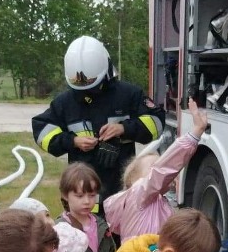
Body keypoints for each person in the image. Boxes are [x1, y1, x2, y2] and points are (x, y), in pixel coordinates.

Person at [33, 36, 166, 204]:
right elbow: (41, 129)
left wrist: (124, 129)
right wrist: (73, 141)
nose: (86, 92)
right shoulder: (65, 102)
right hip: (83, 197)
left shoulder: (128, 95)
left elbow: (157, 121)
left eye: (91, 85)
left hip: (120, 191)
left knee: (120, 226)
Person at [104, 98, 206, 244]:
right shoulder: (138, 194)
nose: (157, 172)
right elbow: (163, 170)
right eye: (152, 169)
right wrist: (194, 134)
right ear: (132, 180)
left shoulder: (158, 201)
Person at [57, 163, 116, 252]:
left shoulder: (101, 224)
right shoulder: (60, 229)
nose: (87, 201)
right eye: (80, 196)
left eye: (92, 195)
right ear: (65, 195)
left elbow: (112, 250)